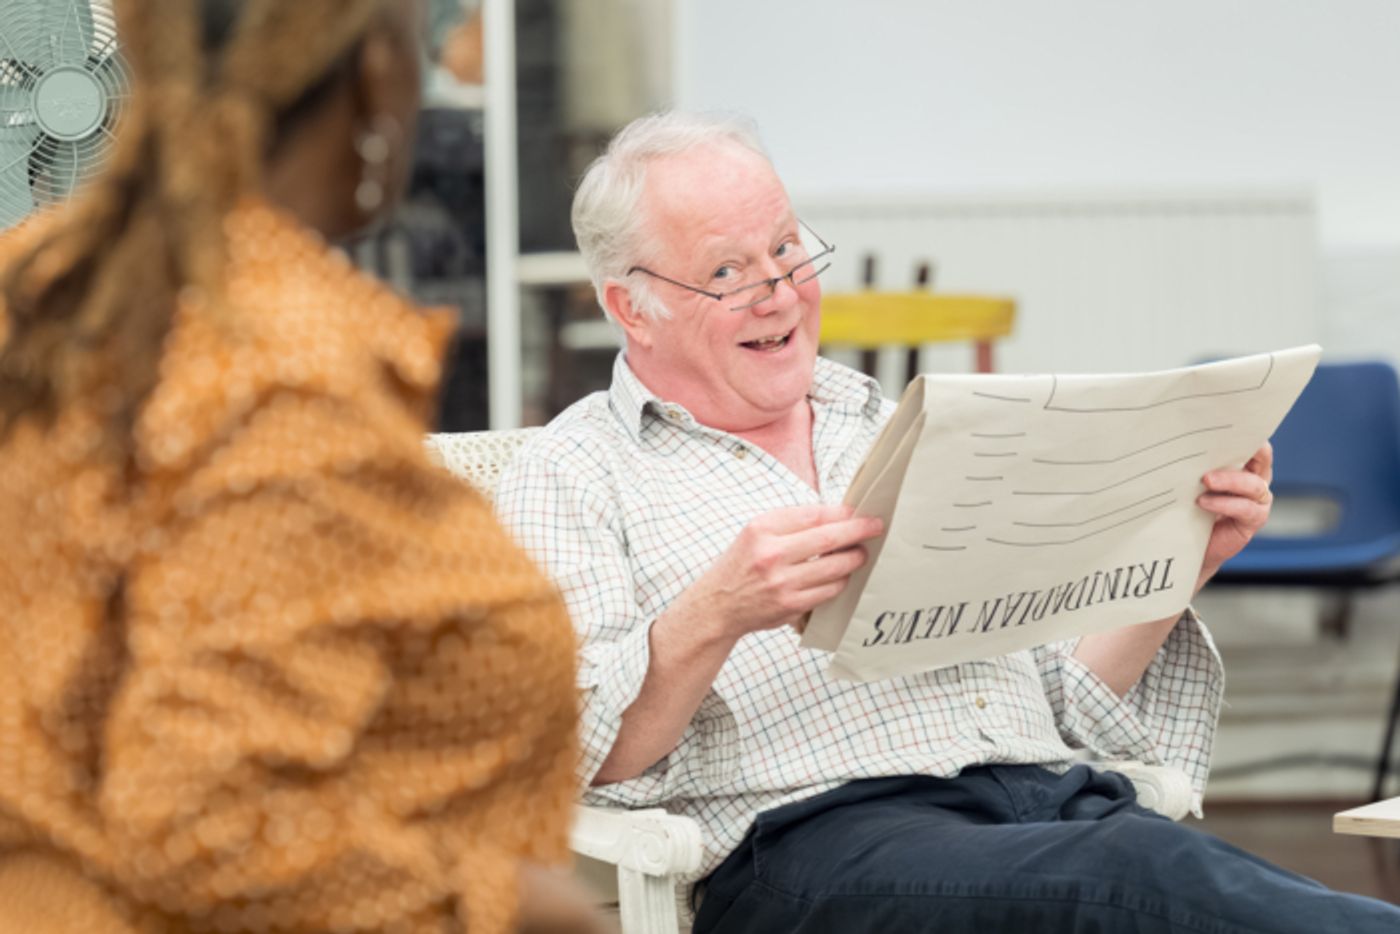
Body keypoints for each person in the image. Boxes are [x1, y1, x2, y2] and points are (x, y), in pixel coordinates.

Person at [495, 110, 1400, 932]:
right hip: (820, 847)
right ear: (631, 308)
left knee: (1173, 879)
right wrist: (717, 612)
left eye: (786, 250)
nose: (776, 290)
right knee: (1146, 875)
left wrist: (1182, 558)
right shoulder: (570, 471)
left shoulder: (901, 427)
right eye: (727, 271)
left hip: (1051, 806)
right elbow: (576, 758)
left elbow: (1064, 704)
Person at [0, 2, 601, 932]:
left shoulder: (42, 290)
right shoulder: (276, 369)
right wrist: (517, 909)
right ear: (375, 68)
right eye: (419, 38)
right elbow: (206, 825)